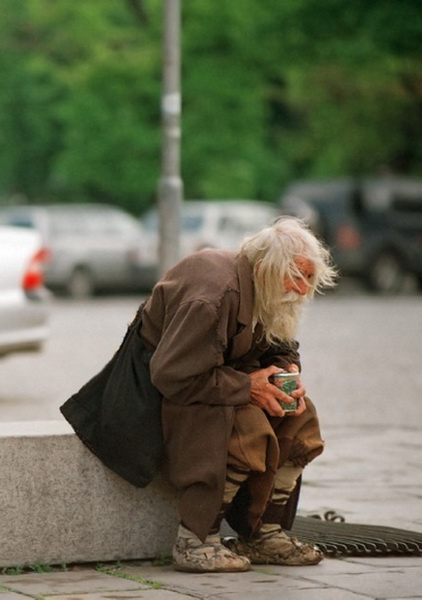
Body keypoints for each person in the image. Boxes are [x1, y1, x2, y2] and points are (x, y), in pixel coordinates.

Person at [138, 216, 337, 573]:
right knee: (246, 426)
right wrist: (249, 387)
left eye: (309, 277)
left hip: (218, 375)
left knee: (300, 415)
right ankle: (196, 539)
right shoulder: (213, 296)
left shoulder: (266, 286)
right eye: (297, 276)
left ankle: (264, 533)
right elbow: (173, 376)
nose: (304, 289)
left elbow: (283, 345)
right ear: (266, 268)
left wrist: (286, 373)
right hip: (166, 388)